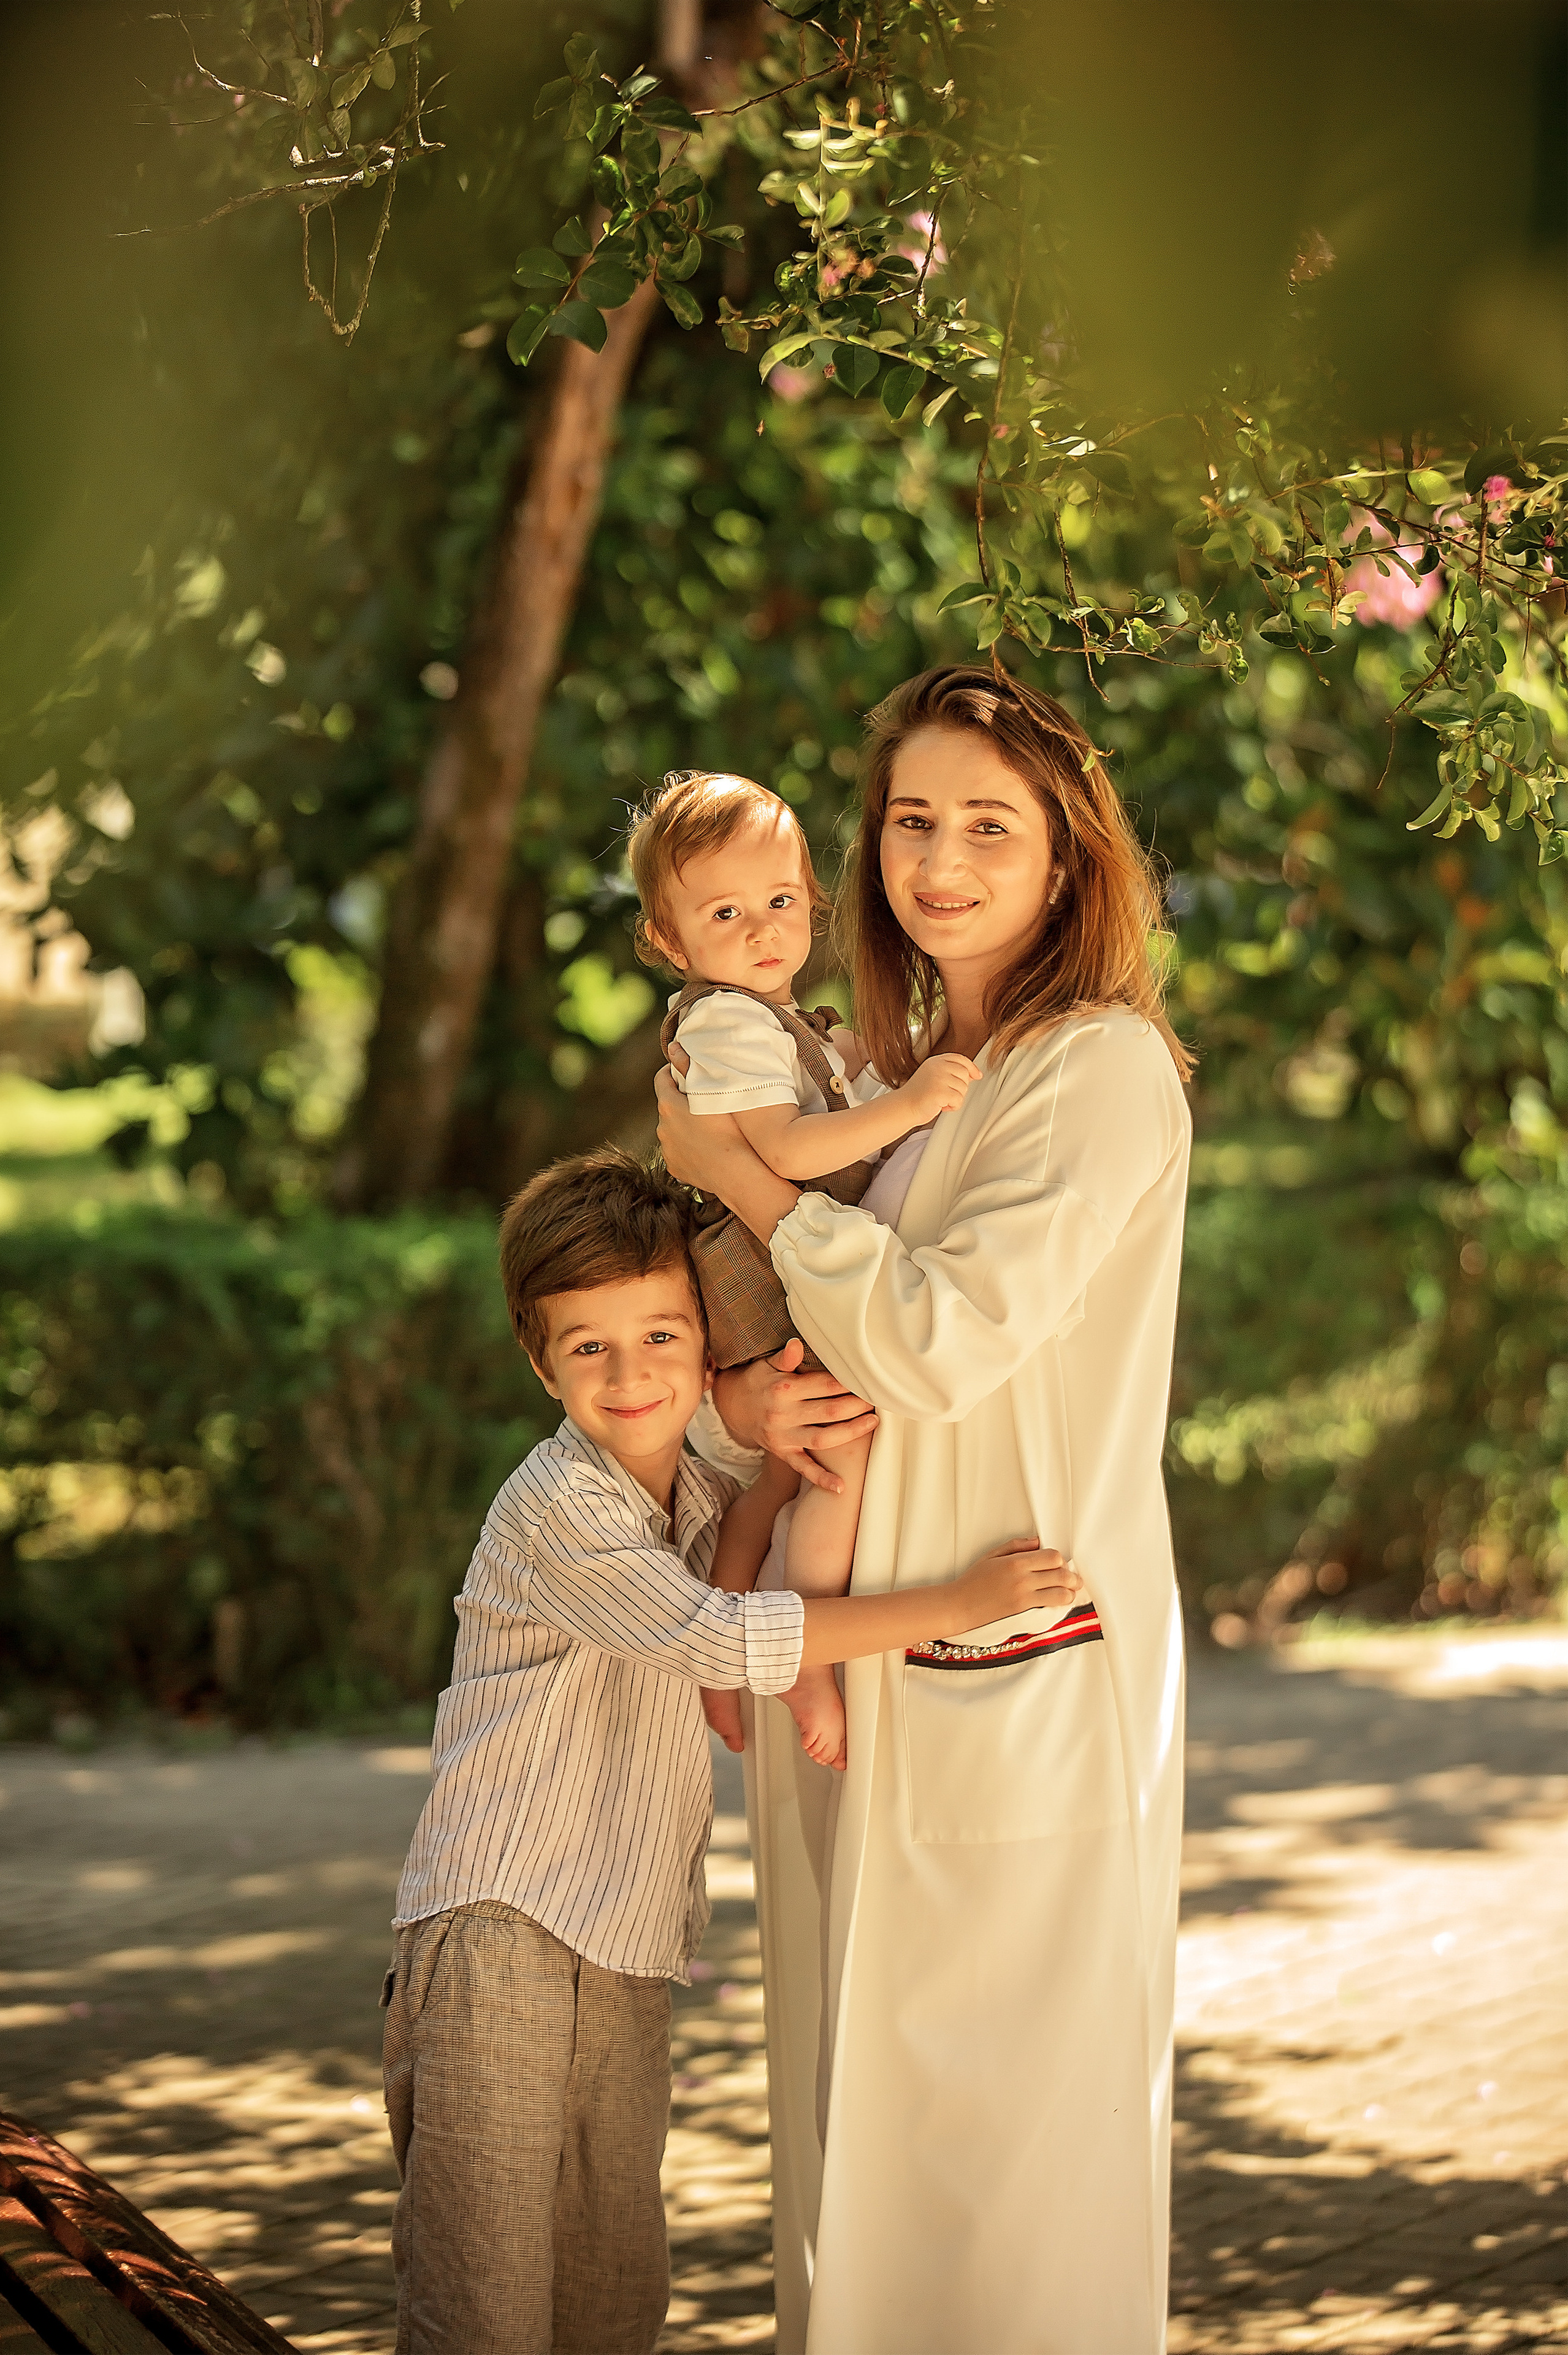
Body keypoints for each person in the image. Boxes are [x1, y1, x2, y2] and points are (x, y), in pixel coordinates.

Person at [657, 665, 1195, 2355]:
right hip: (860, 1667)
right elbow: (817, 1341)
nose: (940, 859)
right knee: (854, 2142)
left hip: (1011, 1657)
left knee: (1004, 2173)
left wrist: (736, 1173)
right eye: (909, 821)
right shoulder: (908, 1071)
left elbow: (937, 1342)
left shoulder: (1095, 1072)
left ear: (1066, 857)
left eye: (989, 824)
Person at [381, 1144, 1084, 2355]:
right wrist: (957, 1604)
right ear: (535, 1359)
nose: (629, 1373)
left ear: (705, 1343)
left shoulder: (687, 1488)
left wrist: (771, 1468)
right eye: (587, 1346)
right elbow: (720, 1633)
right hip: (494, 1929)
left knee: (612, 2294)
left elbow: (737, 1541)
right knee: (483, 2307)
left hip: (624, 1942)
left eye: (659, 1336)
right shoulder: (560, 1504)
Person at [627, 770, 978, 1772]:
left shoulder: (786, 1022)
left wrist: (872, 1072)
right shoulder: (728, 1022)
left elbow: (826, 1106)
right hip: (766, 1283)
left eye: (780, 902)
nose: (760, 930)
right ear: (669, 940)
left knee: (776, 1484)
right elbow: (780, 1150)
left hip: (777, 1279)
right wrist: (903, 1109)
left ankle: (723, 1639)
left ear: (812, 903)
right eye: (724, 912)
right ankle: (805, 1649)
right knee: (838, 1460)